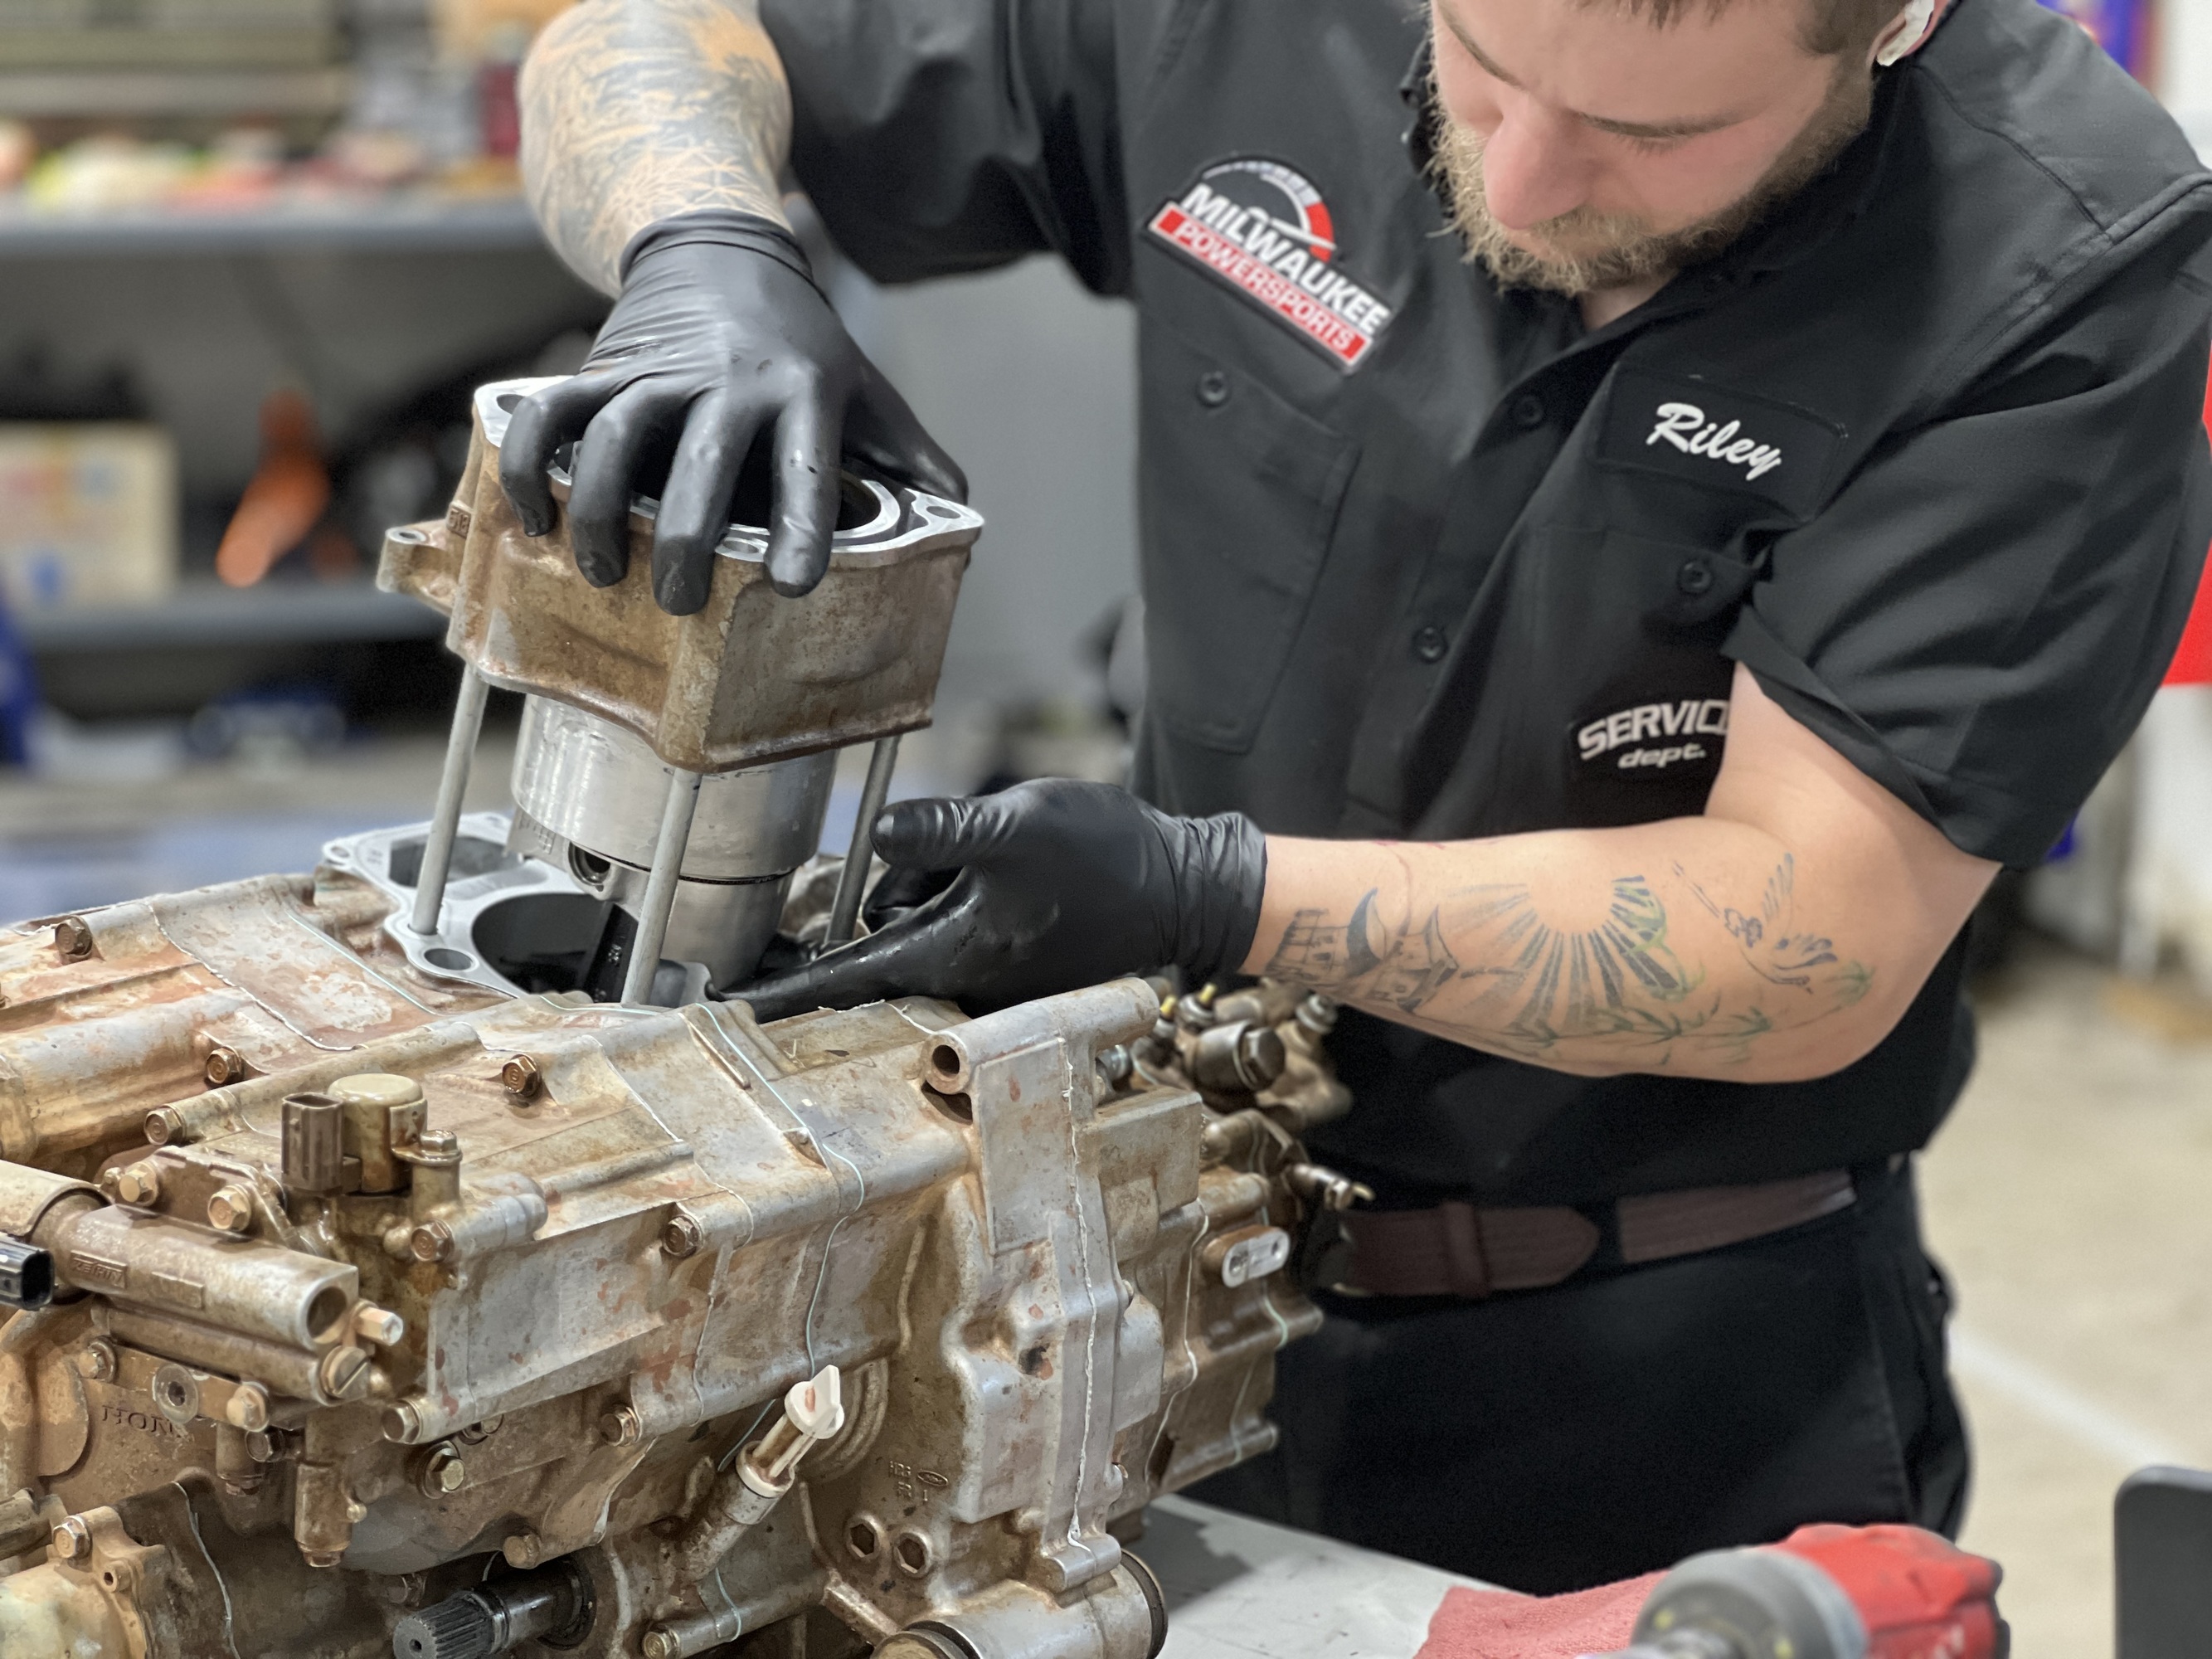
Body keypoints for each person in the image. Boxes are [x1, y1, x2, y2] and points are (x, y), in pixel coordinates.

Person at [503, 0, 2212, 1592]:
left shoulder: (2055, 260)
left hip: (1662, 1388)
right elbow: (648, 33)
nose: (1520, 183)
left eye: (1650, 134)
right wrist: (703, 244)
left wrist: (1209, 894)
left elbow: (1808, 931)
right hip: (1135, 1295)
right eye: (1479, 61)